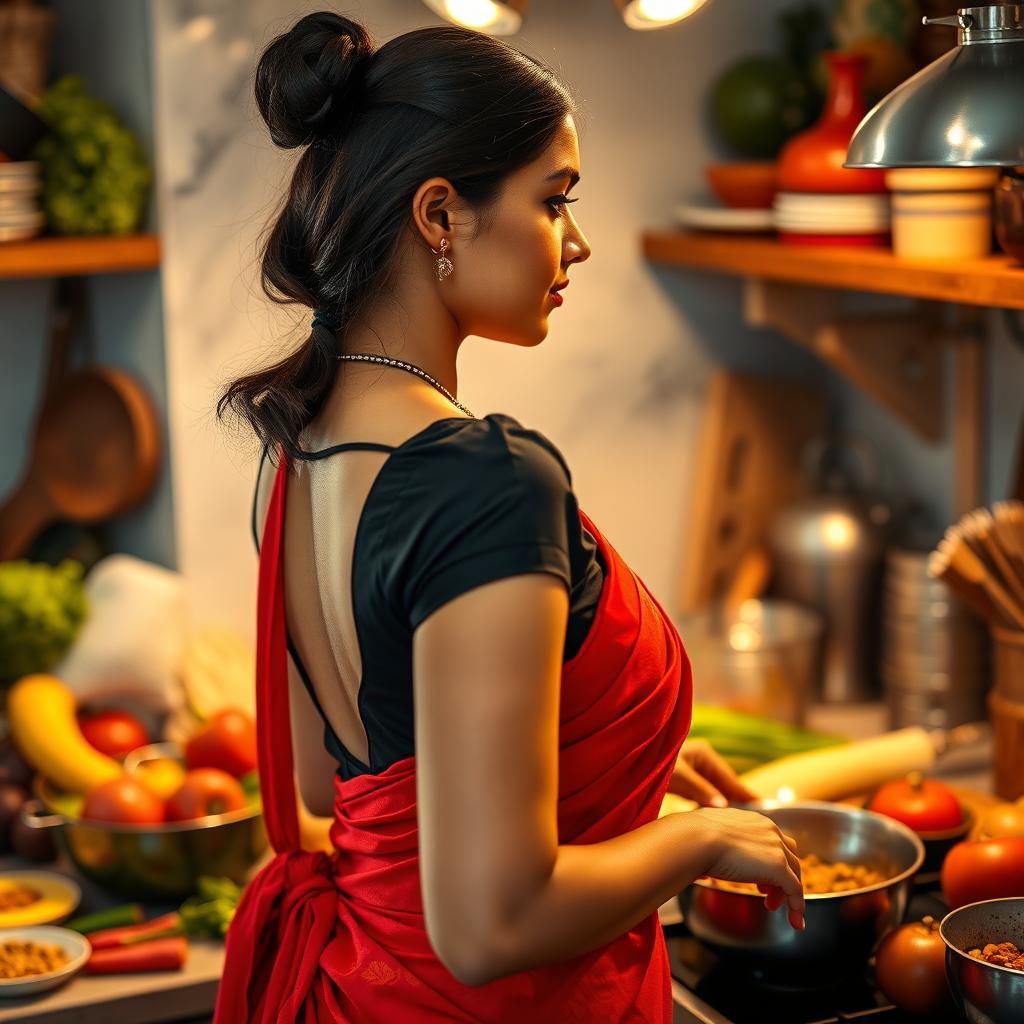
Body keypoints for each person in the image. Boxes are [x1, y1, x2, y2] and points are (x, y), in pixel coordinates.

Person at [213, 12, 805, 1023]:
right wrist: (697, 841)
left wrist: (613, 798)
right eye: (553, 199)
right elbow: (489, 927)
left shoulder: (294, 450)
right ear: (440, 214)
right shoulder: (485, 480)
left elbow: (335, 780)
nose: (573, 242)